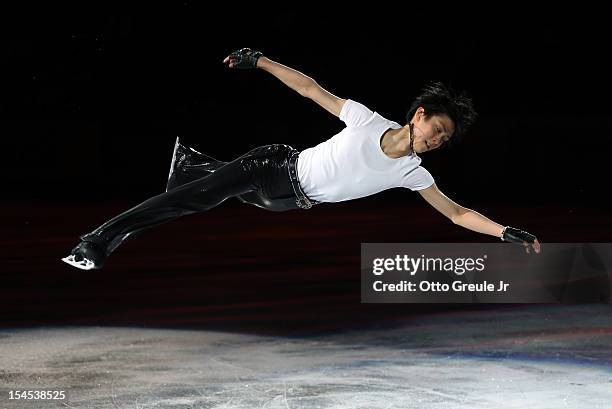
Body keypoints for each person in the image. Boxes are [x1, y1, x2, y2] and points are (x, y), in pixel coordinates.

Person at [62, 48, 540, 270]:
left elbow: (456, 213)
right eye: (436, 130)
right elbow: (312, 88)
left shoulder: (411, 172)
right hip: (271, 167)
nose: (436, 142)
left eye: (443, 141)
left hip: (288, 202)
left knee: (204, 189)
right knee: (191, 201)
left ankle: (190, 164)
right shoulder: (366, 120)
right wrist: (261, 61)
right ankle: (96, 242)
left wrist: (504, 231)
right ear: (418, 117)